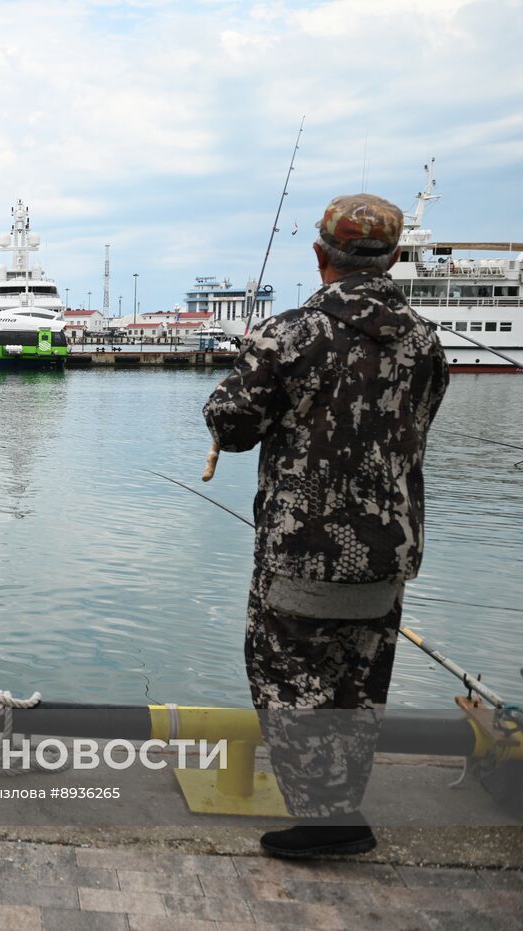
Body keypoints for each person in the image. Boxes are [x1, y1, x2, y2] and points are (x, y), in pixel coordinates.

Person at [203, 193, 449, 859]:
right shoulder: (426, 339)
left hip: (303, 549)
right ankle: (338, 808)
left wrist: (225, 390)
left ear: (320, 256)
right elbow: (419, 419)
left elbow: (235, 425)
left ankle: (325, 818)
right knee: (358, 684)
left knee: (287, 678)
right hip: (389, 549)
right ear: (394, 258)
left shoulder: (287, 334)